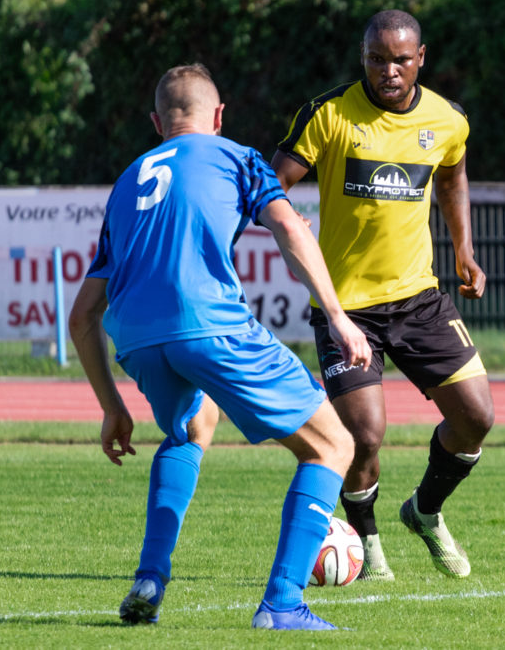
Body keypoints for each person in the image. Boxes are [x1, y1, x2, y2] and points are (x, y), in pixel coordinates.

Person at [68, 63, 371, 631]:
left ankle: (150, 578)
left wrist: (112, 406)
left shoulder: (129, 180)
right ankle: (282, 604)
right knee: (332, 445)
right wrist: (338, 316)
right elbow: (290, 227)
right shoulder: (234, 155)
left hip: (135, 338)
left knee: (190, 428)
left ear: (158, 122)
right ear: (219, 114)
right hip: (206, 324)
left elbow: (82, 314)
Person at [270, 10, 495, 581]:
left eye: (400, 59)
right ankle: (367, 548)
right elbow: (274, 184)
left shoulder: (448, 119)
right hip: (346, 311)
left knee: (476, 416)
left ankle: (425, 511)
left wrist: (463, 248)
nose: (388, 70)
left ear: (421, 58)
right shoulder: (329, 114)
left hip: (420, 298)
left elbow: (452, 178)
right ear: (363, 57)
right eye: (376, 58)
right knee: (365, 435)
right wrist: (286, 222)